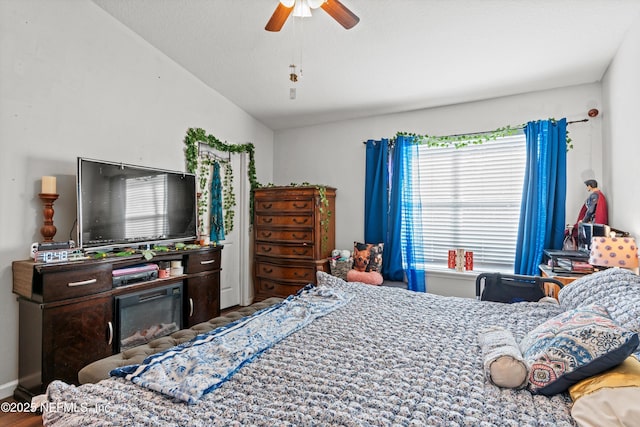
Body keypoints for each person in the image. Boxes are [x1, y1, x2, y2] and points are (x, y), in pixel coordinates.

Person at [567, 179, 608, 243]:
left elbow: (590, 210)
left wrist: (583, 221)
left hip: (593, 222)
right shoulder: (599, 195)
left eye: (587, 186)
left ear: (590, 186)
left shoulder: (594, 195)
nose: (587, 188)